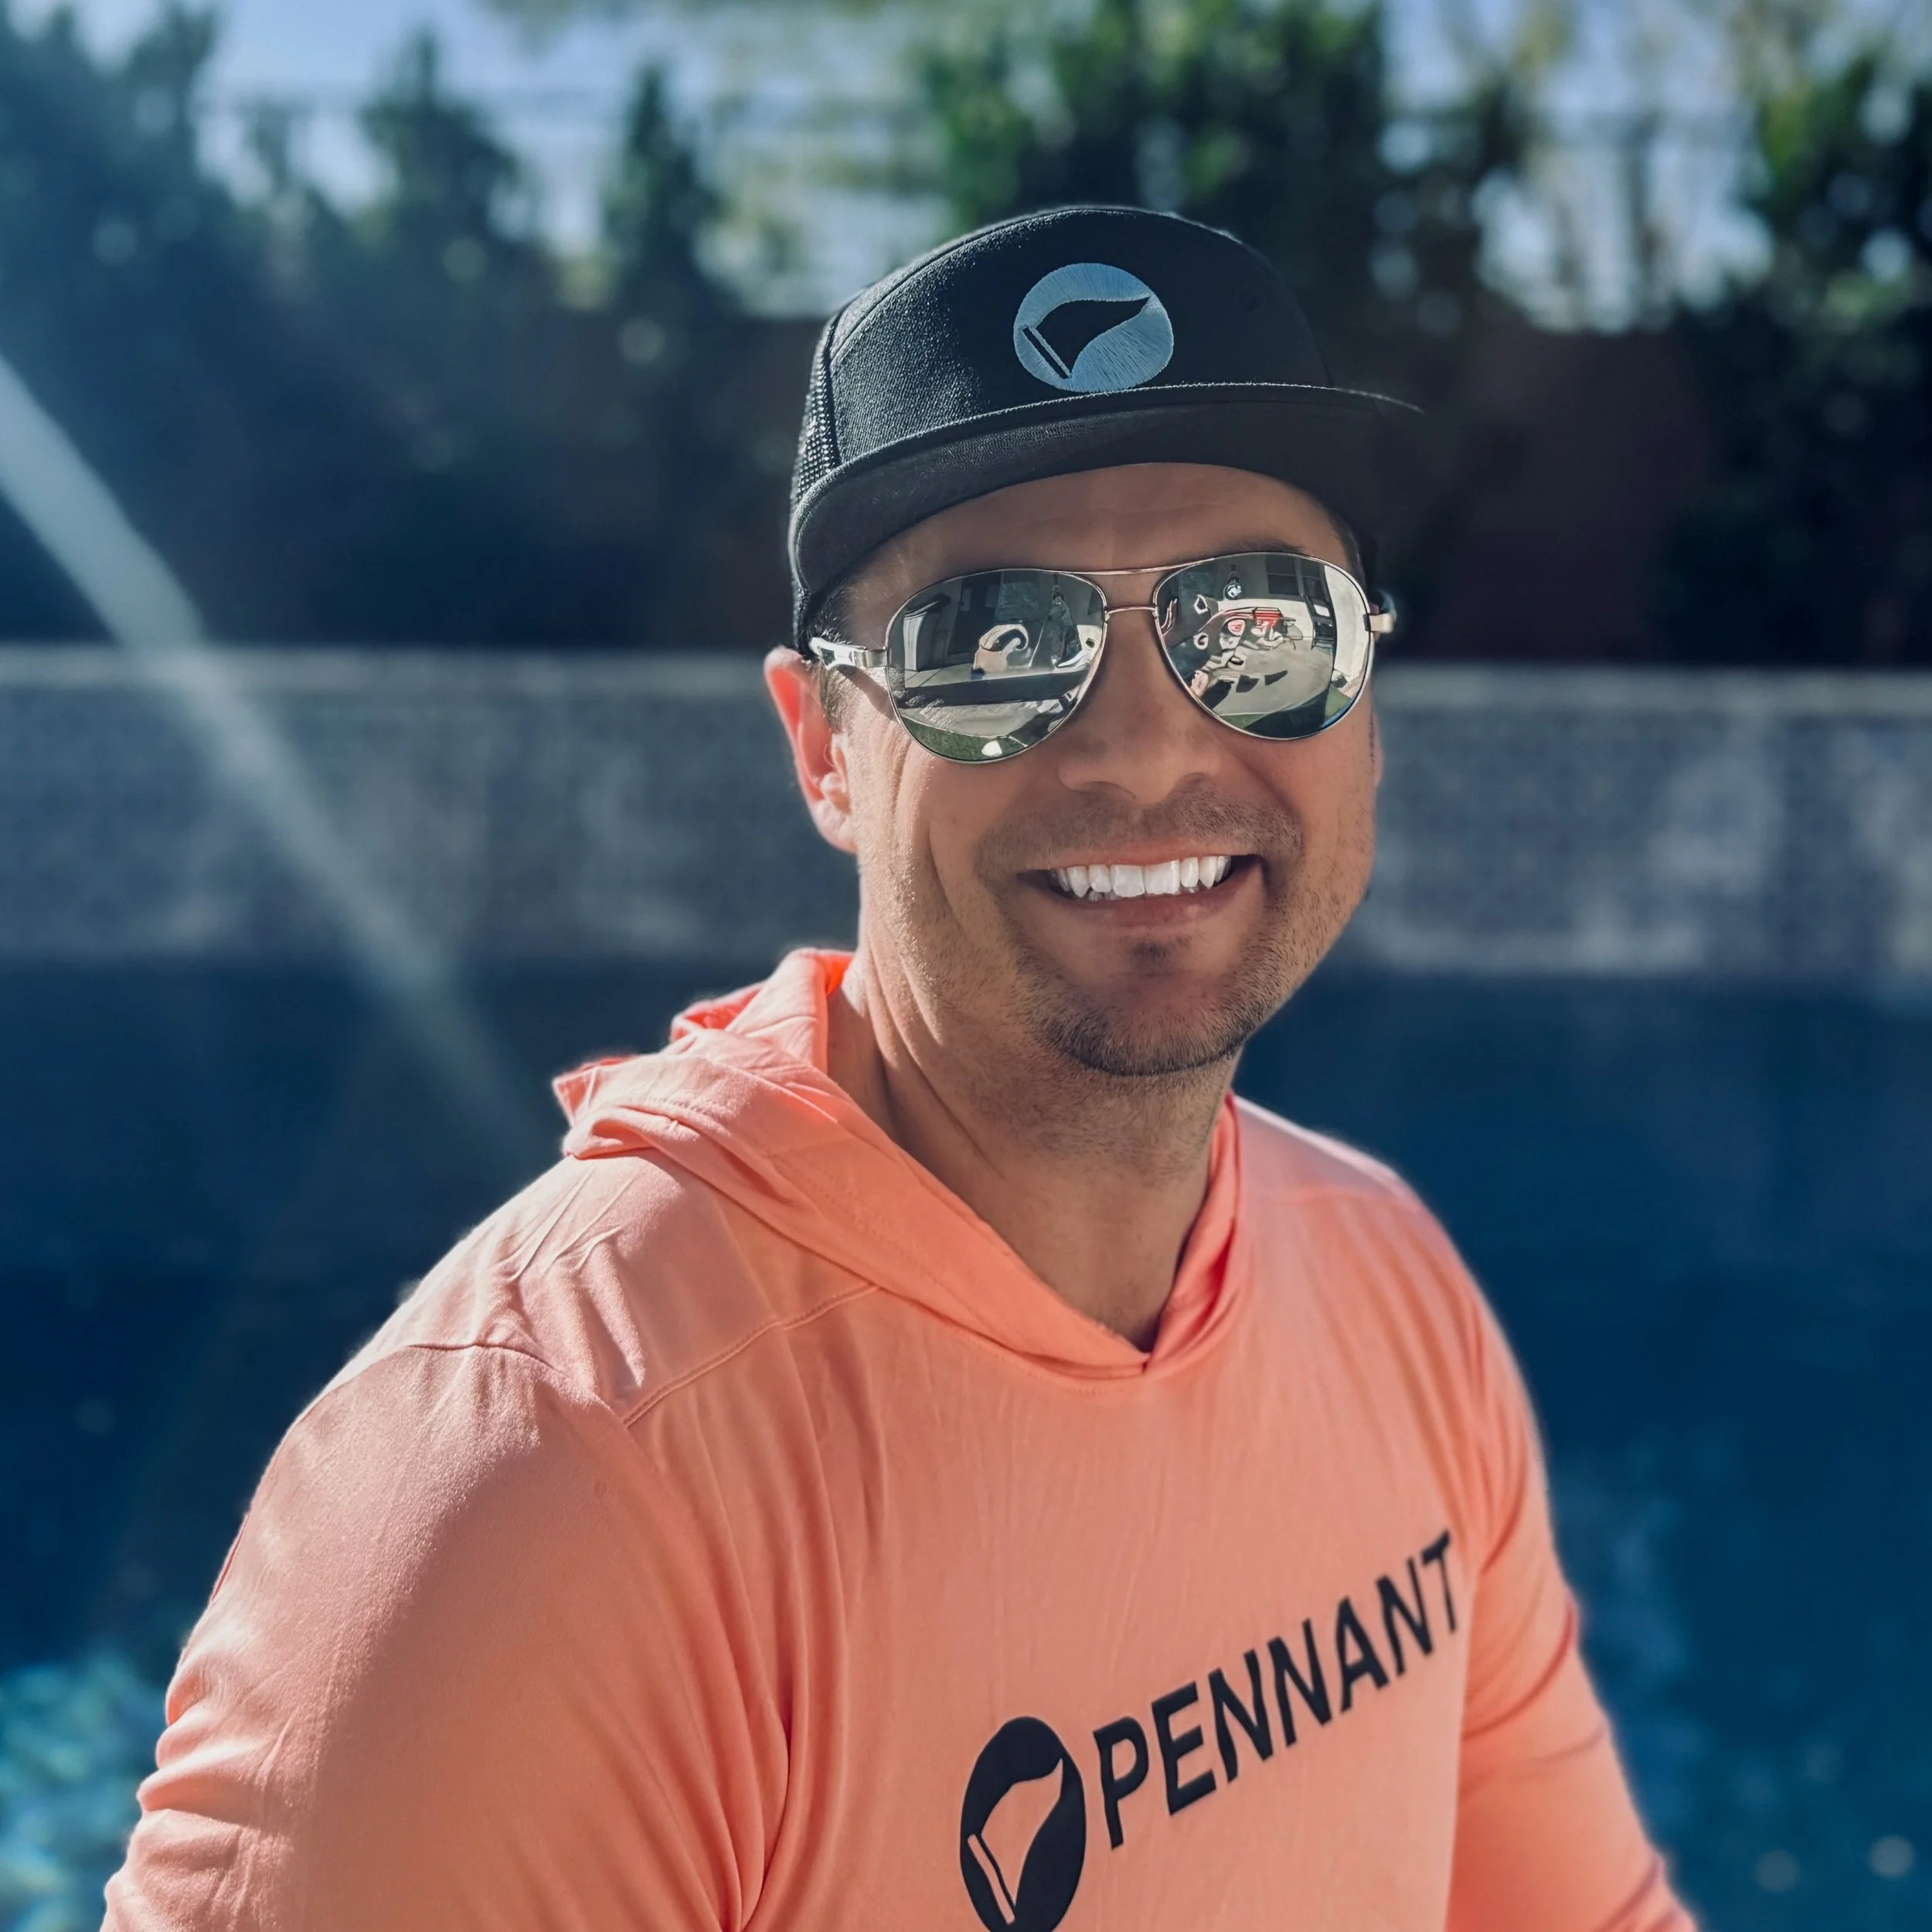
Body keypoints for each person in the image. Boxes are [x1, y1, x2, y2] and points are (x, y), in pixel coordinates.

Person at [106, 206, 1691, 1932]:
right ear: (825, 749)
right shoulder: (540, 1489)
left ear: (1363, 698)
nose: (1146, 742)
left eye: (1255, 624)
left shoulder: (1388, 1289)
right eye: (994, 643)